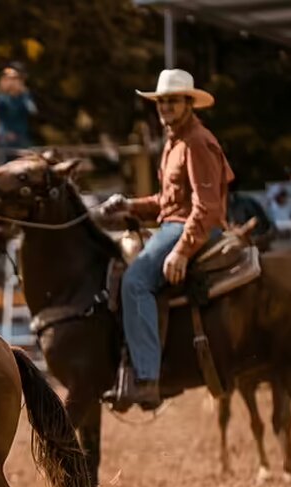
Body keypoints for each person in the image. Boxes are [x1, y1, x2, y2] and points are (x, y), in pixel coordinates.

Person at [100, 69, 234, 409]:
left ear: (189, 103)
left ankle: (146, 377)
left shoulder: (197, 142)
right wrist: (129, 205)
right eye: (161, 102)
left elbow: (206, 207)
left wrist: (182, 251)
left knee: (135, 281)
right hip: (176, 223)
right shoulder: (174, 141)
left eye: (173, 101)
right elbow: (167, 201)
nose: (166, 107)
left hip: (192, 227)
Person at [0, 65, 37, 161]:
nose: (12, 82)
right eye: (9, 79)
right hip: (5, 137)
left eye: (15, 78)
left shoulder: (24, 96)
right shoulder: (0, 97)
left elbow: (32, 110)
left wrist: (23, 92)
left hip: (21, 136)